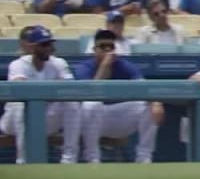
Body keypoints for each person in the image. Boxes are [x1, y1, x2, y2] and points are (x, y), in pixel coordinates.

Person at [75, 30, 162, 163]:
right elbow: (90, 92)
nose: (108, 50)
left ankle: (144, 158)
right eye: (103, 46)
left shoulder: (125, 66)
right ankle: (92, 158)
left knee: (148, 106)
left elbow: (144, 87)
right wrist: (105, 66)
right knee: (90, 104)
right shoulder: (84, 67)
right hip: (95, 119)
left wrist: (156, 103)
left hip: (121, 117)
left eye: (111, 47)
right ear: (94, 50)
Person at [0, 26, 82, 164]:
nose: (48, 48)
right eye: (44, 44)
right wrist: (52, 92)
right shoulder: (18, 64)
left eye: (50, 44)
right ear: (32, 47)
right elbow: (21, 91)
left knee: (71, 102)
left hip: (46, 117)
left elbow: (69, 89)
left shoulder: (58, 63)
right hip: (12, 123)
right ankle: (24, 162)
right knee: (21, 106)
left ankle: (69, 159)